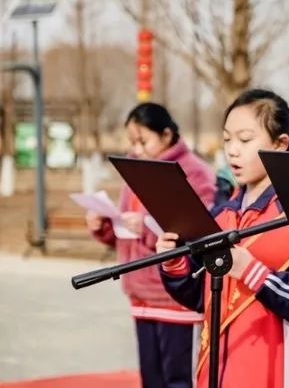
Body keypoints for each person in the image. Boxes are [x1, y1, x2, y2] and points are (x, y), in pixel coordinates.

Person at [157, 89, 289, 388]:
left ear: (280, 144)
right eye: (227, 139)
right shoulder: (221, 215)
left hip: (278, 371)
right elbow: (202, 298)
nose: (232, 151)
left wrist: (252, 272)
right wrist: (174, 263)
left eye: (245, 140)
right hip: (221, 368)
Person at [86, 102, 216, 388]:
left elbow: (200, 229)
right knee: (151, 379)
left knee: (178, 379)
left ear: (166, 134)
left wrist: (146, 225)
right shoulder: (135, 167)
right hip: (139, 293)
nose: (136, 149)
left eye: (143, 141)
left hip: (175, 295)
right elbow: (124, 230)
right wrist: (104, 226)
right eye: (132, 142)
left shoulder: (194, 172)